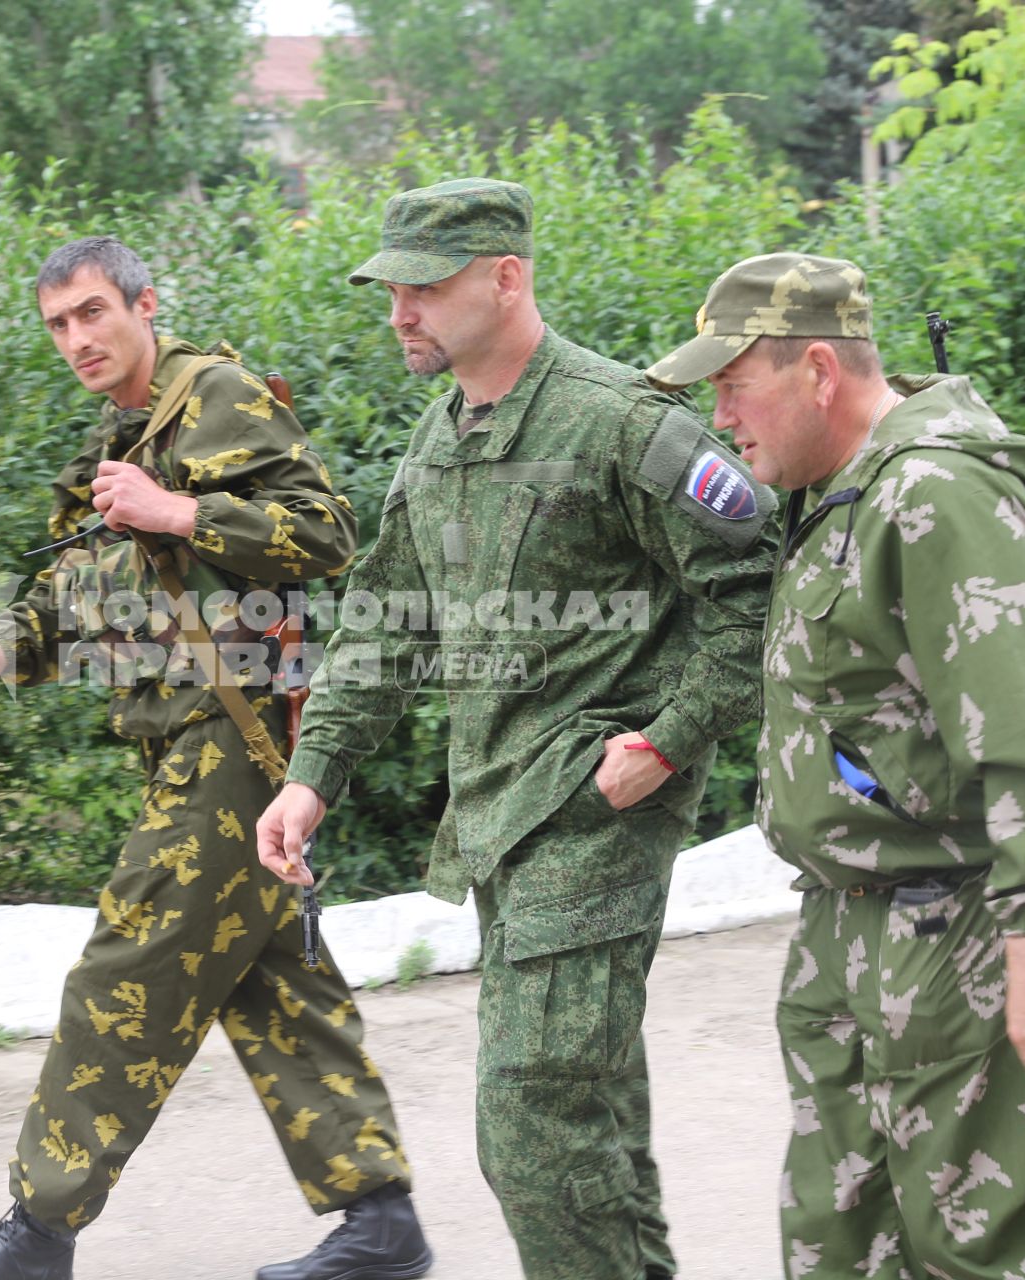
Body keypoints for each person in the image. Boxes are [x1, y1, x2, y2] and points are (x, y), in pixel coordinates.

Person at [256, 179, 776, 1280]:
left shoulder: (624, 421)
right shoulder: (441, 439)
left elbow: (757, 586)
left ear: (507, 277)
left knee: (533, 1123)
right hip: (504, 820)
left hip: (594, 814)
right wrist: (312, 778)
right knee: (587, 1117)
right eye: (389, 288)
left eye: (425, 286)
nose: (400, 311)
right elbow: (388, 625)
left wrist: (668, 740)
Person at [646, 252, 1025, 1279]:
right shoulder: (845, 490)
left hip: (959, 921)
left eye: (733, 385)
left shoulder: (936, 494)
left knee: (995, 1236)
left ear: (817, 368)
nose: (722, 417)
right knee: (841, 1230)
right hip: (854, 915)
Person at [0, 237, 431, 1280]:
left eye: (94, 312)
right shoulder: (123, 437)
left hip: (232, 750)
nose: (78, 339)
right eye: (59, 323)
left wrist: (181, 508)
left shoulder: (216, 397)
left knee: (125, 972)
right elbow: (77, 595)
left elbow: (326, 533)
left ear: (145, 305)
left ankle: (38, 1227)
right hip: (189, 753)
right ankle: (380, 1222)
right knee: (275, 984)